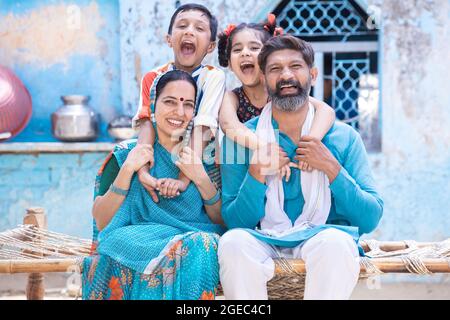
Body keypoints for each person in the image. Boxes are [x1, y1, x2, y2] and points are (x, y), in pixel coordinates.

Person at [218, 35, 384, 300]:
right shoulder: (241, 142)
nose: (286, 76)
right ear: (264, 78)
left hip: (321, 238)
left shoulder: (343, 137)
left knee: (335, 244)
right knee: (233, 244)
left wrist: (332, 168)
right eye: (275, 69)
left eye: (295, 66)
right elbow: (235, 221)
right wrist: (256, 174)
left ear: (313, 75)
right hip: (262, 240)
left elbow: (370, 218)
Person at [82, 70, 225, 300]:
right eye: (169, 102)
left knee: (201, 244)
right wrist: (129, 169)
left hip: (194, 238)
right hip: (138, 239)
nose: (179, 112)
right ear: (152, 106)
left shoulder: (207, 156)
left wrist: (199, 176)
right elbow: (101, 219)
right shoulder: (127, 154)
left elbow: (221, 220)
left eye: (188, 104)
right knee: (115, 247)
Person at [217, 14, 336, 178]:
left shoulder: (282, 93)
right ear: (230, 63)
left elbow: (326, 110)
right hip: (248, 171)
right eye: (237, 49)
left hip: (292, 167)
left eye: (253, 48)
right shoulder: (232, 98)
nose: (245, 53)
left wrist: (310, 144)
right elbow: (228, 124)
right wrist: (267, 151)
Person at [133, 3, 225, 201]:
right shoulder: (153, 77)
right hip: (159, 155)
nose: (189, 32)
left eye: (199, 28)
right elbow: (146, 123)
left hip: (198, 158)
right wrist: (142, 172)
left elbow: (203, 128)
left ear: (210, 46)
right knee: (124, 153)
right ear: (169, 39)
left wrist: (184, 179)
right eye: (182, 26)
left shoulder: (213, 77)